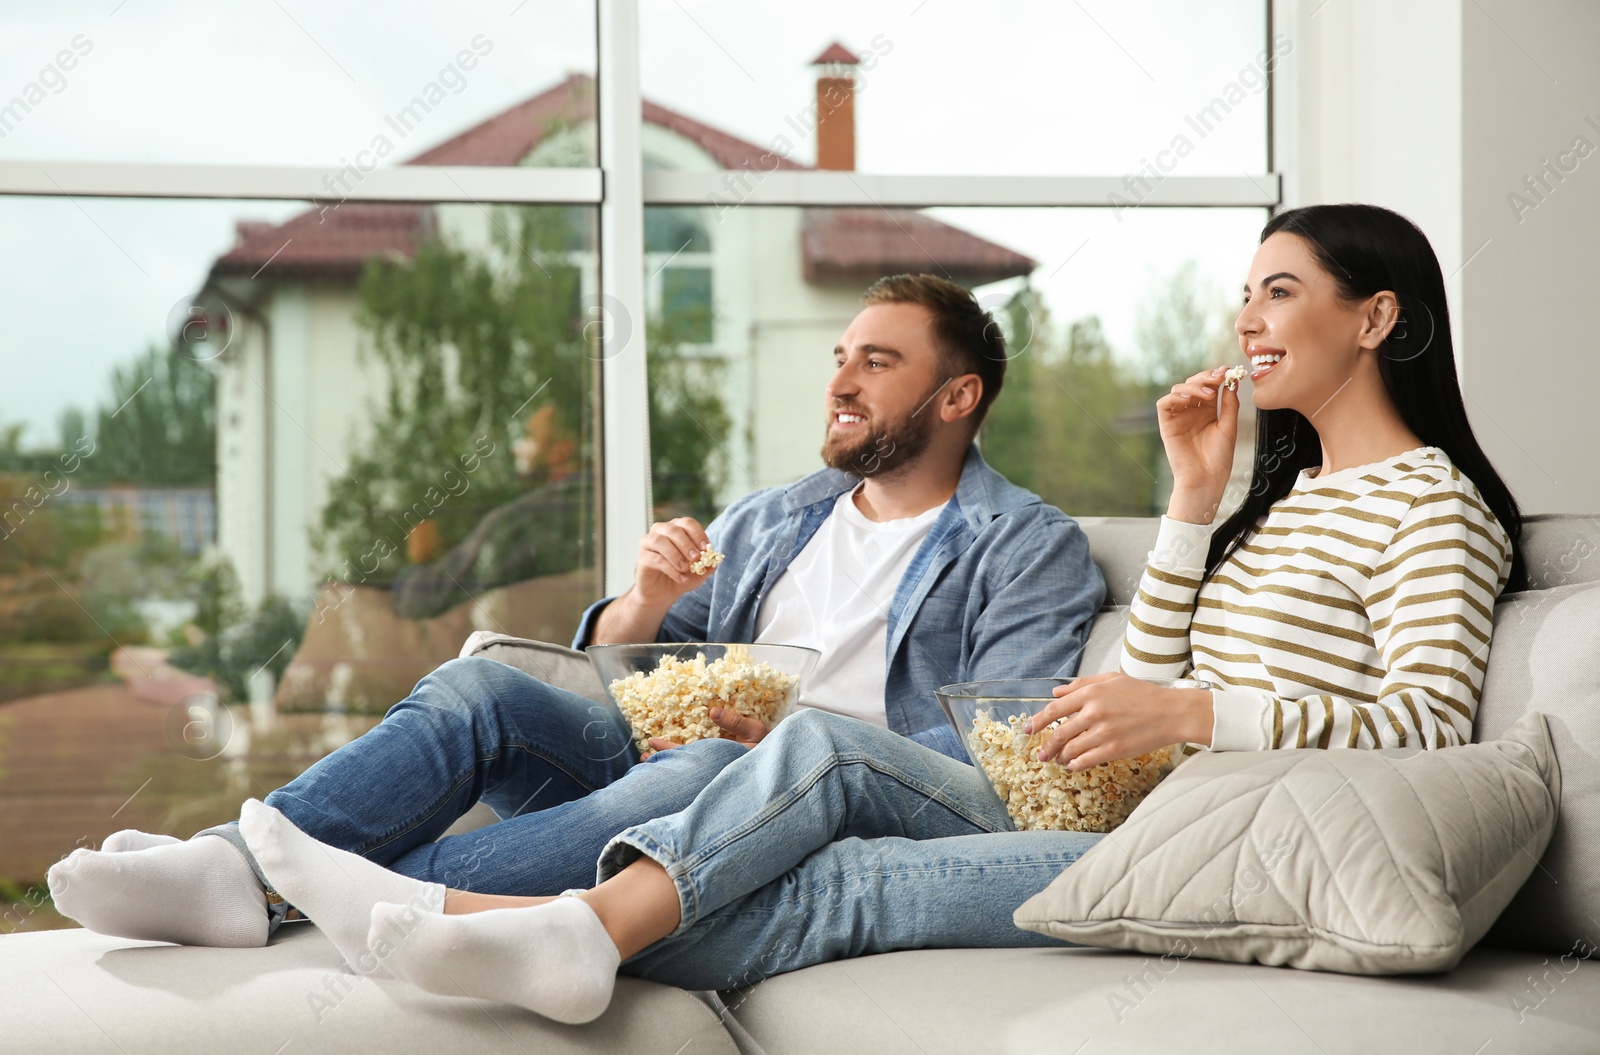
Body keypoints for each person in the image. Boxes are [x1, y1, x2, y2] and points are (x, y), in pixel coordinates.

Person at [235, 202, 1523, 1025]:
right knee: (777, 816)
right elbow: (1150, 671)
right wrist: (1192, 502)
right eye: (1245, 290)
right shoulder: (1271, 500)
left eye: (1282, 289)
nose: (1247, 316)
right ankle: (500, 925)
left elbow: (1423, 729)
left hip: (1210, 840)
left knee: (826, 775)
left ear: (1377, 315)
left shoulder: (1437, 508)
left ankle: (464, 914)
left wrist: (1188, 707)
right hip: (1130, 800)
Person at [48, 274, 1105, 971]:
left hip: (827, 796)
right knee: (482, 693)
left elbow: (993, 749)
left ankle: (301, 889)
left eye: (877, 362)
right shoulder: (776, 516)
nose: (840, 379)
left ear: (958, 394)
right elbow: (628, 660)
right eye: (840, 355)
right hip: (679, 761)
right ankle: (237, 866)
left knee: (710, 768)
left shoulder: (1027, 542)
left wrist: (769, 745)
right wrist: (645, 598)